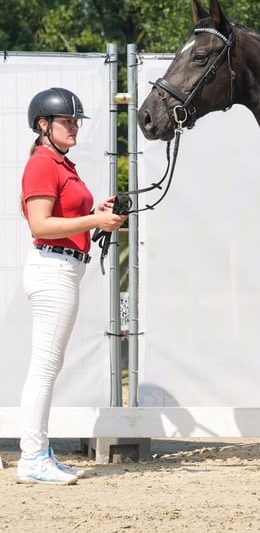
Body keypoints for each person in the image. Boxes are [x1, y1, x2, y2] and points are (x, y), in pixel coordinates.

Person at [15, 87, 127, 485]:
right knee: (44, 368)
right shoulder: (43, 164)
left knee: (47, 366)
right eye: (67, 120)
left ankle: (37, 452)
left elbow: (64, 216)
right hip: (53, 270)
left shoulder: (61, 163)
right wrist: (95, 223)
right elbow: (41, 225)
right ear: (43, 126)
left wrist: (97, 213)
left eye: (76, 120)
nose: (74, 126)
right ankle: (32, 455)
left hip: (64, 268)